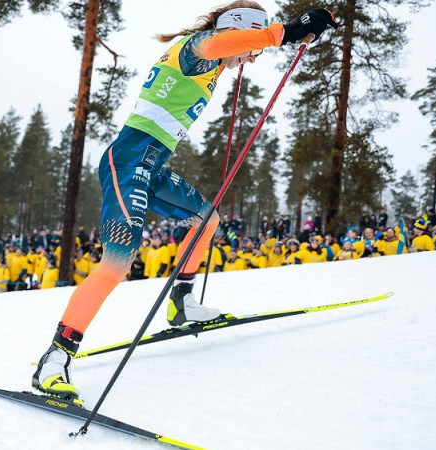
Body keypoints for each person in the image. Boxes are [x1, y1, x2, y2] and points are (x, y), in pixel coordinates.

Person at [31, 2, 338, 401]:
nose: (251, 57)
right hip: (127, 162)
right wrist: (284, 33)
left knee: (206, 219)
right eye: (250, 48)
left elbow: (228, 48)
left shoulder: (210, 59)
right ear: (237, 30)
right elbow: (217, 46)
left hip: (151, 165)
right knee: (116, 264)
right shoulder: (199, 48)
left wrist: (293, 34)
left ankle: (182, 304)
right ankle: (54, 359)